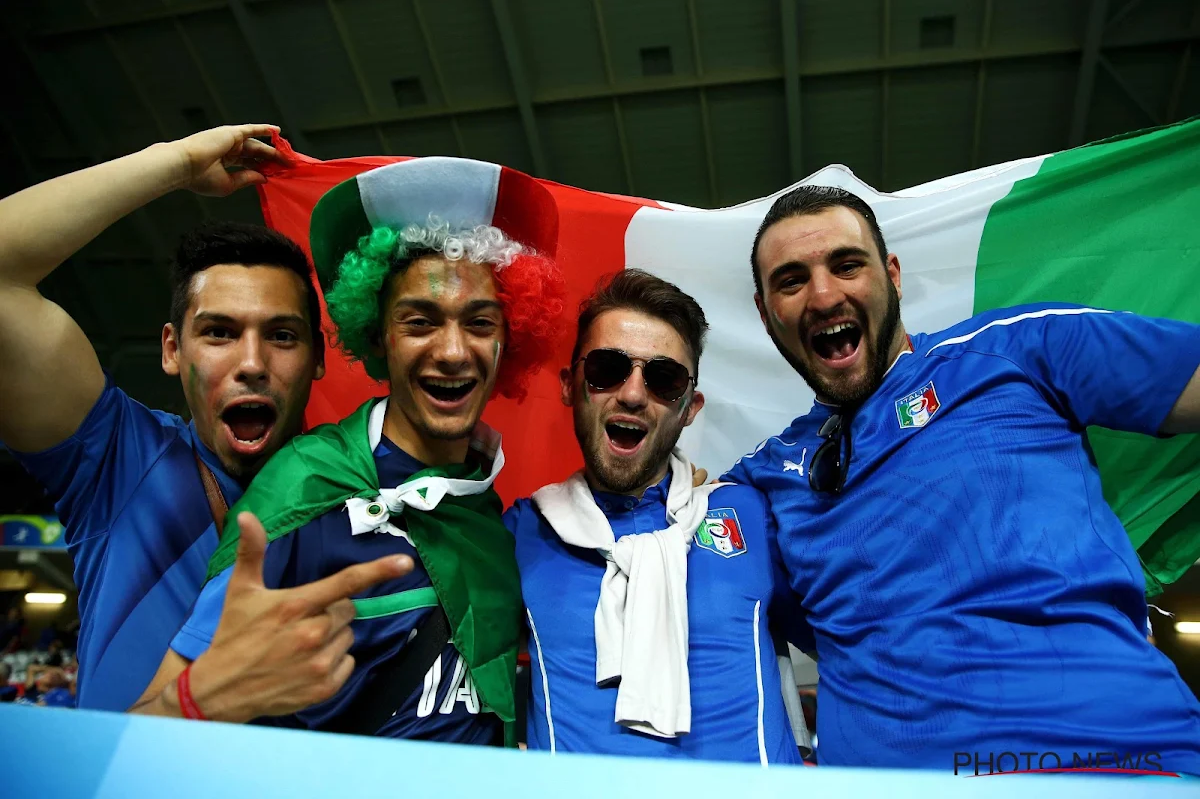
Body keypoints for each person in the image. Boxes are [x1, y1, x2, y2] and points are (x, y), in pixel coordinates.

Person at [724, 185, 1200, 773]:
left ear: (892, 276)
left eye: (846, 265)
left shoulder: (1015, 348)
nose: (824, 295)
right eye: (791, 280)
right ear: (766, 312)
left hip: (1120, 765)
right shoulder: (764, 480)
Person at [132, 157, 565, 744]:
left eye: (480, 322)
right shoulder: (304, 487)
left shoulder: (491, 515)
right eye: (420, 322)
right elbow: (150, 726)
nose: (455, 351)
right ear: (377, 336)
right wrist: (204, 696)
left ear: (508, 338)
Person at [0, 124, 336, 712]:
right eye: (219, 333)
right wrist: (175, 161)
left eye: (282, 335)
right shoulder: (114, 460)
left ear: (318, 359)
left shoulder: (359, 500)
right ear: (172, 349)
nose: (252, 363)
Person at [505, 270, 810, 763]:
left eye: (663, 378)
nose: (631, 394)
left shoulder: (751, 513)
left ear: (691, 408)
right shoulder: (522, 533)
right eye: (607, 368)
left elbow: (858, 641)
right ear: (569, 385)